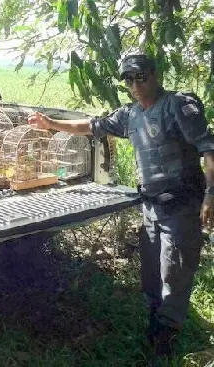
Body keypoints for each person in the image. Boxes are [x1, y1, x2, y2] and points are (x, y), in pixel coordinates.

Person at [27, 54, 214, 356]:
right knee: (152, 273)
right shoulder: (130, 115)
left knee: (175, 271)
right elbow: (92, 125)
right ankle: (156, 322)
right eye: (129, 80)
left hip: (181, 206)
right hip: (151, 207)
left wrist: (211, 194)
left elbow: (208, 148)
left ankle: (167, 334)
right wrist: (51, 124)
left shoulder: (177, 105)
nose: (135, 85)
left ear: (155, 75)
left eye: (141, 77)